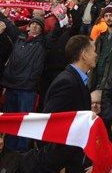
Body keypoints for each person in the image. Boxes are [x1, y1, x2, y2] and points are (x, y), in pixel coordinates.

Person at [17, 35, 96, 173]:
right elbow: (49, 125)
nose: (96, 54)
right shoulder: (67, 83)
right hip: (59, 165)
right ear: (84, 54)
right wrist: (57, 164)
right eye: (93, 51)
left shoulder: (77, 80)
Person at [0, 13, 67, 152]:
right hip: (11, 86)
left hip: (27, 89)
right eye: (33, 23)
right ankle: (9, 150)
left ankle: (21, 153)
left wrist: (61, 22)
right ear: (28, 26)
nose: (35, 26)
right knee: (11, 121)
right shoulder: (19, 37)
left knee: (24, 122)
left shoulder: (43, 42)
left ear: (42, 30)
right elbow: (8, 23)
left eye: (39, 24)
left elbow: (55, 33)